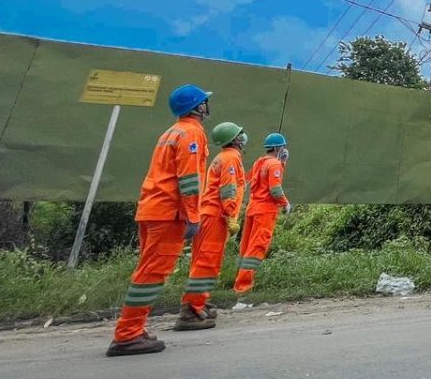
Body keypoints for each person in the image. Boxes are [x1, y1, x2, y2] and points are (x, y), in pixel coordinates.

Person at [106, 84, 211, 357]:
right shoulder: (191, 133)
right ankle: (127, 335)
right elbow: (189, 180)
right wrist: (193, 215)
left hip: (151, 208)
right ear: (198, 107)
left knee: (146, 271)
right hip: (168, 212)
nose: (207, 105)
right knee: (152, 274)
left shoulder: (171, 132)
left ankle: (133, 328)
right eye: (204, 102)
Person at [174, 121, 248, 331]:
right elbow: (228, 190)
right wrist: (232, 215)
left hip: (210, 215)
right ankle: (190, 311)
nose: (243, 136)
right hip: (216, 216)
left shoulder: (224, 157)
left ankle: (197, 302)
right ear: (234, 139)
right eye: (240, 133)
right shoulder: (231, 158)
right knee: (207, 263)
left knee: (202, 261)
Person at [234, 133, 292, 294]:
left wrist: (282, 163)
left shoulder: (260, 161)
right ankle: (243, 289)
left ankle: (237, 281)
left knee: (246, 247)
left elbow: (251, 180)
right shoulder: (274, 165)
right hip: (265, 211)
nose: (284, 149)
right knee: (256, 248)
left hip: (253, 208)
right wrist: (285, 203)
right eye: (282, 146)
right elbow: (275, 189)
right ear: (276, 148)